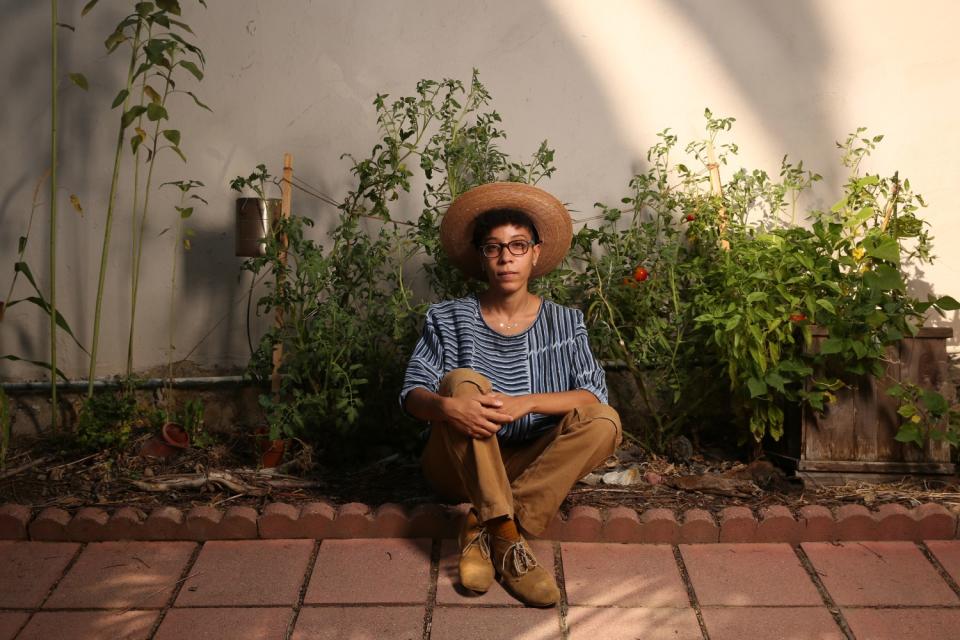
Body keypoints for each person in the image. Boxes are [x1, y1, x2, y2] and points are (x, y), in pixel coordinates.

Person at [400, 182, 622, 607]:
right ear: (480, 256)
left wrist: (529, 402)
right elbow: (411, 393)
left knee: (607, 421)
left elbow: (593, 396)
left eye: (518, 246)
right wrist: (447, 407)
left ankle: (485, 524)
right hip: (456, 463)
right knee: (463, 380)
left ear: (535, 253)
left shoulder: (565, 321)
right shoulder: (448, 317)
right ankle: (509, 540)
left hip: (530, 461)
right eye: (494, 247)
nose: (506, 257)